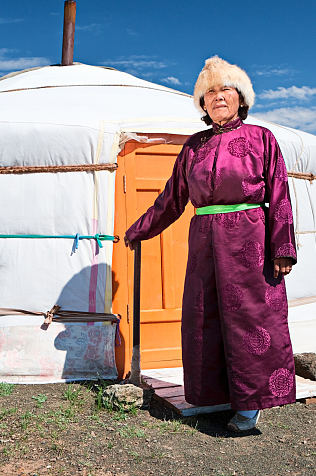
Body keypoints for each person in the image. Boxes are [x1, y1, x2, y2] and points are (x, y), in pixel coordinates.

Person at [125, 56, 297, 432]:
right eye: (210, 92)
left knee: (252, 319)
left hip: (250, 236)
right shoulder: (193, 147)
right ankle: (216, 396)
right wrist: (140, 228)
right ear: (202, 103)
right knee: (205, 316)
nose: (218, 97)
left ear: (241, 99)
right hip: (205, 238)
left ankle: (249, 406)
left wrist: (282, 248)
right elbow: (172, 199)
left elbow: (281, 194)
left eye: (226, 90)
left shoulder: (262, 139)